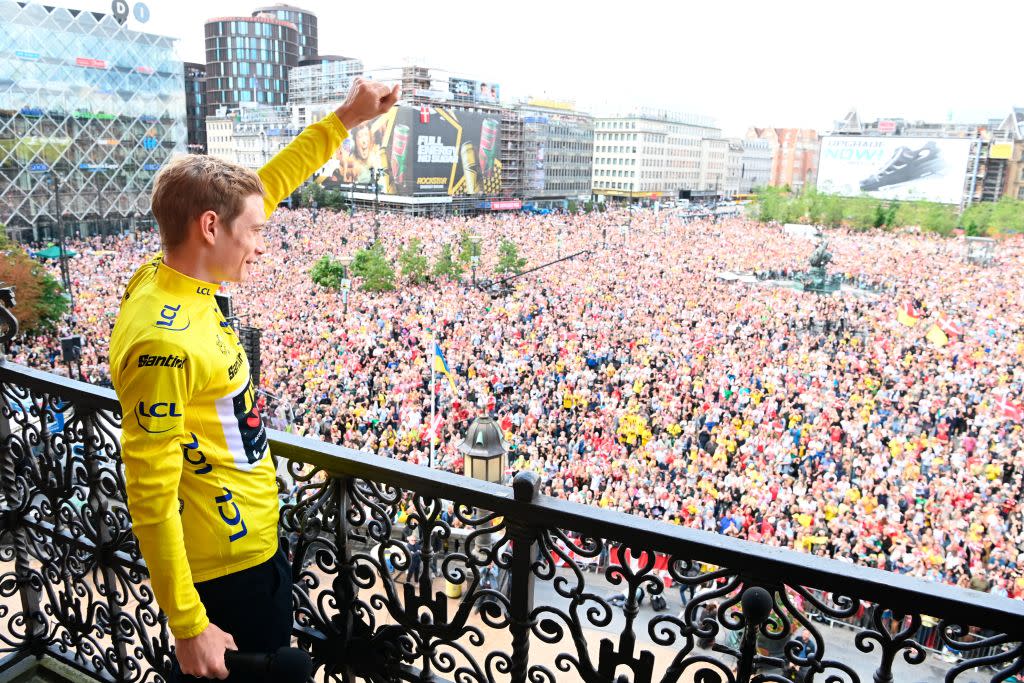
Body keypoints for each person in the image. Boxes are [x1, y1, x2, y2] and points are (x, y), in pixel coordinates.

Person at [108, 78, 399, 681]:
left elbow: (263, 187)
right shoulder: (165, 344)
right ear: (210, 228)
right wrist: (189, 625)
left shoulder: (166, 273)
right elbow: (150, 495)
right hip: (226, 572)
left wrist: (345, 119)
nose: (262, 245)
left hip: (249, 542)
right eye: (256, 232)